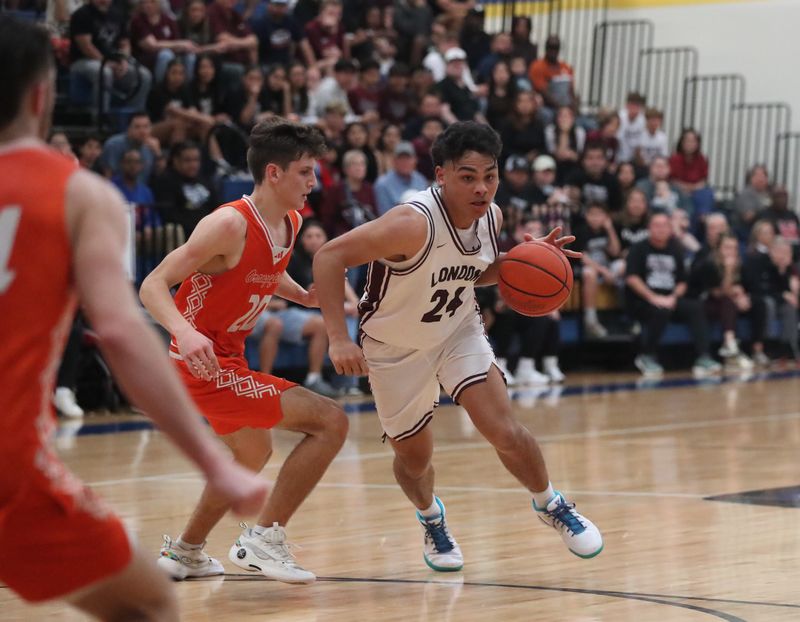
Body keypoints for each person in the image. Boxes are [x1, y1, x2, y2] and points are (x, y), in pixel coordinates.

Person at [0, 15, 266, 619]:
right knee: (148, 605)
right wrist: (212, 464)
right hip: (9, 466)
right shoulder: (79, 195)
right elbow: (120, 331)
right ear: (42, 94)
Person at [313, 121, 603, 572]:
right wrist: (336, 337)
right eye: (468, 176)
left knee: (502, 429)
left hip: (456, 330)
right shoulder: (409, 223)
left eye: (490, 175)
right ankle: (431, 518)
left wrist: (521, 264)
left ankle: (550, 503)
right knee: (414, 459)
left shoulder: (493, 216)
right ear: (441, 175)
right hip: (394, 347)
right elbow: (328, 256)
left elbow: (474, 270)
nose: (482, 187)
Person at [140, 118, 348, 584]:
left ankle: (186, 552)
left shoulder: (291, 221)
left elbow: (268, 272)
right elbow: (152, 285)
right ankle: (263, 538)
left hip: (229, 359)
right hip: (197, 363)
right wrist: (184, 332)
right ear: (273, 173)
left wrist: (305, 296)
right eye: (305, 173)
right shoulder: (228, 224)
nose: (314, 183)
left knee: (253, 453)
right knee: (331, 420)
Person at [625, 211, 723, 378]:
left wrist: (673, 297)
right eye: (657, 225)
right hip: (643, 300)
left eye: (665, 225)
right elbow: (632, 278)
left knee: (695, 307)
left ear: (670, 229)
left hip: (670, 298)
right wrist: (653, 297)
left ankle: (703, 357)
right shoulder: (639, 248)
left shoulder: (675, 248)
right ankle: (647, 355)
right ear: (649, 228)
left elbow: (682, 282)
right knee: (660, 310)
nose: (661, 229)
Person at [69, 0, 153, 115]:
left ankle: (134, 117)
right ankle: (100, 118)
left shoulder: (118, 13)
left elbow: (125, 43)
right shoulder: (82, 14)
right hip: (83, 61)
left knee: (144, 75)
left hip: (114, 60)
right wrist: (106, 63)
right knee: (105, 73)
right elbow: (86, 47)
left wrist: (123, 60)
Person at [688, 233, 753, 368]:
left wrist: (743, 296)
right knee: (728, 302)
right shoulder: (708, 264)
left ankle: (752, 349)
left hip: (722, 303)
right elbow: (719, 292)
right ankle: (730, 344)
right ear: (718, 249)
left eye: (734, 248)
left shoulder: (740, 264)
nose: (731, 252)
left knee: (755, 303)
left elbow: (744, 286)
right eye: (727, 248)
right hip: (700, 303)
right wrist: (729, 272)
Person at [573, 203, 621, 338]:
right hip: (588, 270)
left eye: (599, 214)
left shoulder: (608, 230)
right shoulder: (581, 231)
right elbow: (583, 258)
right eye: (592, 214)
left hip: (606, 269)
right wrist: (603, 271)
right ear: (586, 216)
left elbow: (615, 251)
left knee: (622, 265)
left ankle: (623, 315)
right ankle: (591, 319)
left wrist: (610, 229)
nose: (595, 218)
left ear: (605, 217)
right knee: (589, 273)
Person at [374, 141, 428, 216]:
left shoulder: (421, 180)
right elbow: (384, 217)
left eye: (408, 158)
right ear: (393, 161)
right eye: (401, 158)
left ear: (415, 160)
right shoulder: (382, 184)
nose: (405, 162)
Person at [528, 35, 575, 110]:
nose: (553, 50)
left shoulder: (566, 67)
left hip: (567, 108)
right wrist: (561, 108)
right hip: (547, 106)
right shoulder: (537, 66)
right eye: (551, 47)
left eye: (556, 48)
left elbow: (571, 91)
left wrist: (573, 108)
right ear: (546, 48)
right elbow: (543, 93)